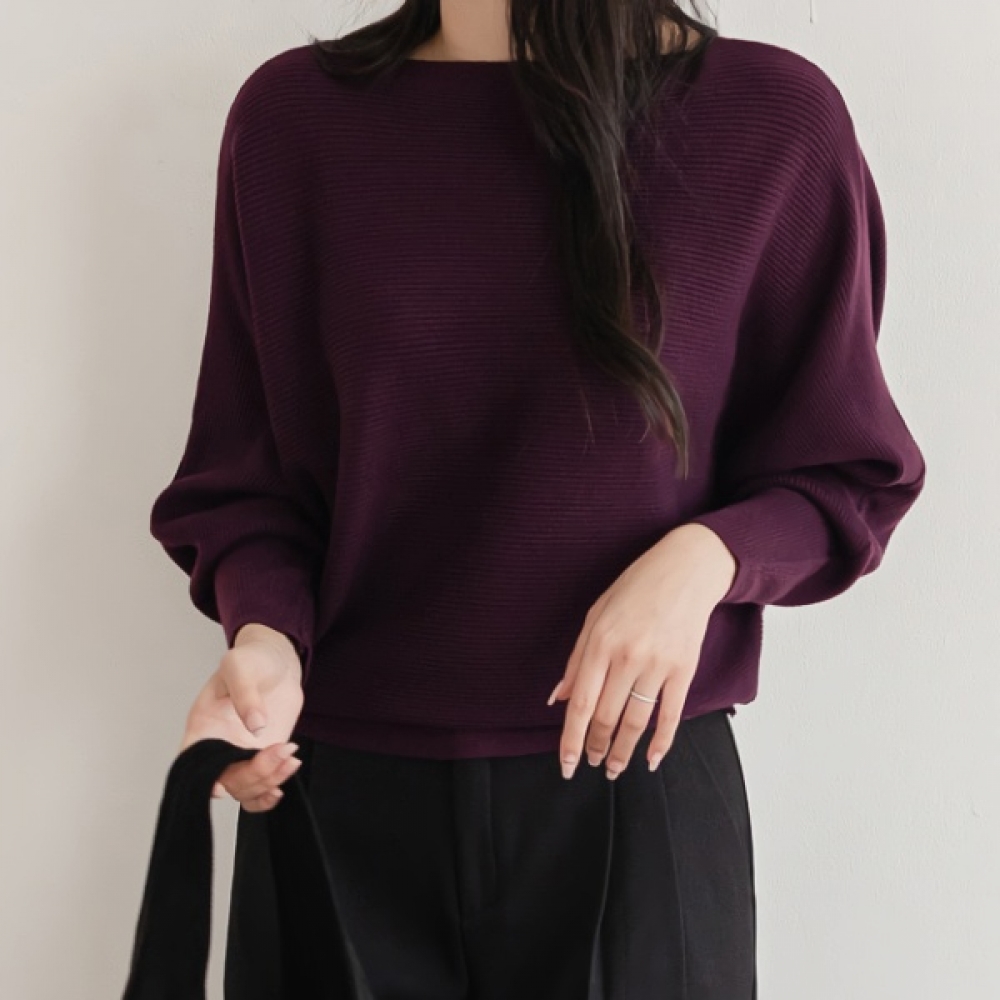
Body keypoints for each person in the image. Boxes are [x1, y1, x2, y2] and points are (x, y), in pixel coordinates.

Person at [148, 2, 927, 997]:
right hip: (336, 803)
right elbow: (248, 477)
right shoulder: (293, 121)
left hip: (636, 798)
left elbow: (847, 468)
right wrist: (263, 645)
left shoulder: (770, 118)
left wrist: (701, 560)